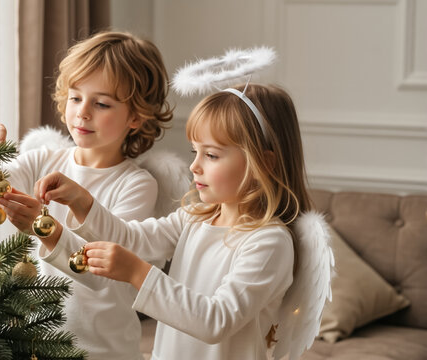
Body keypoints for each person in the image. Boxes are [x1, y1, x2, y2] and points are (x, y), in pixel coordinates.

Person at [34, 83, 314, 359]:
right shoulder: (194, 217)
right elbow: (132, 239)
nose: (195, 166)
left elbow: (216, 320)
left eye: (212, 155)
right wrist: (82, 201)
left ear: (264, 163)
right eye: (196, 152)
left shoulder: (269, 242)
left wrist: (136, 272)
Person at [0, 31, 173, 360]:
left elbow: (108, 274)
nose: (83, 112)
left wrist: (43, 227)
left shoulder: (136, 185)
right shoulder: (42, 161)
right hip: (34, 340)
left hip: (102, 349)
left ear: (136, 116)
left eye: (102, 103)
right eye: (76, 98)